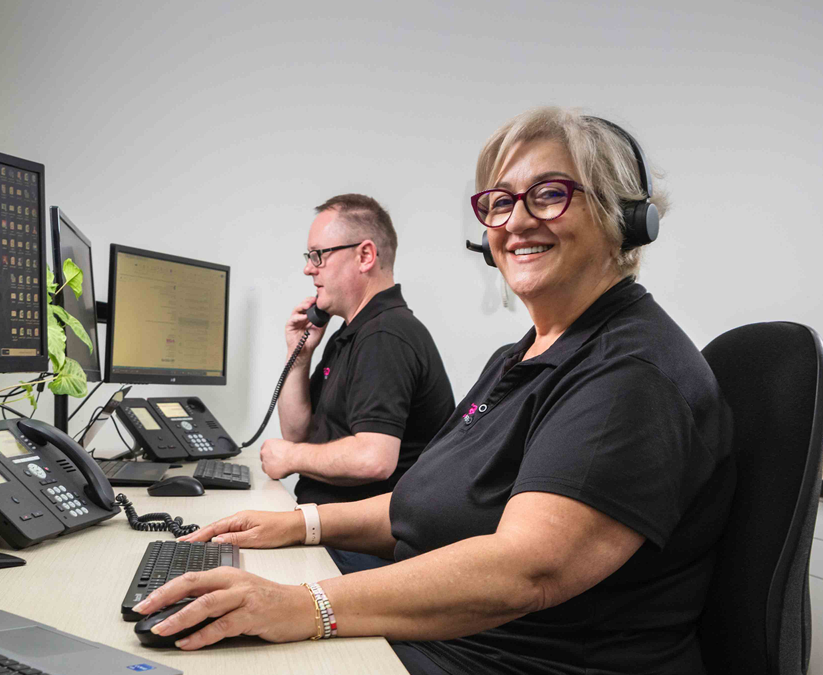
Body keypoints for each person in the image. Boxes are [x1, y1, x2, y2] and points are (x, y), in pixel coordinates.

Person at [131, 107, 735, 675]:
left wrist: (303, 605)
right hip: (457, 635)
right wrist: (302, 524)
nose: (516, 221)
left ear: (624, 219)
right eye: (498, 203)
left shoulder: (630, 371)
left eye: (550, 194)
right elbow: (422, 502)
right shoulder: (518, 358)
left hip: (515, 658)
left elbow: (528, 570)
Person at [262, 193, 455, 573]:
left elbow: (373, 459)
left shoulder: (386, 335)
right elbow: (298, 431)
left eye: (318, 255)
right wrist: (298, 356)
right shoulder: (351, 332)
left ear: (365, 256)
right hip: (333, 530)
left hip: (366, 548)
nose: (309, 269)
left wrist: (290, 457)